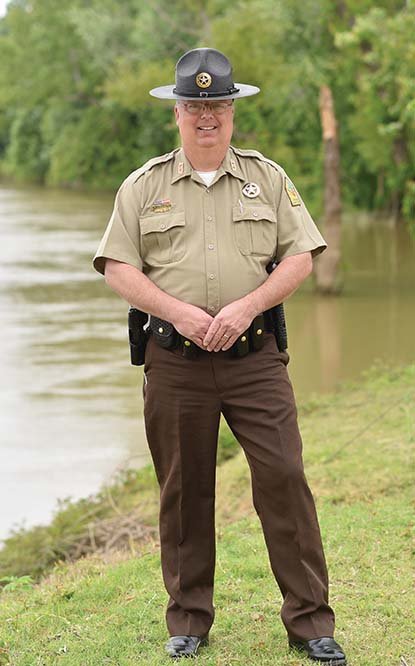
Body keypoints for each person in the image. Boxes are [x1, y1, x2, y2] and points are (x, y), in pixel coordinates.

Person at [93, 48, 347, 664]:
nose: (207, 116)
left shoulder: (269, 178)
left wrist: (247, 307)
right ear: (177, 111)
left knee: (285, 479)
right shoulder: (144, 185)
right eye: (196, 106)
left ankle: (311, 624)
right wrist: (179, 312)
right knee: (185, 492)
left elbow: (300, 256)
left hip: (255, 359)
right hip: (174, 361)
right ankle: (189, 621)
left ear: (232, 111)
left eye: (218, 105)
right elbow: (117, 267)